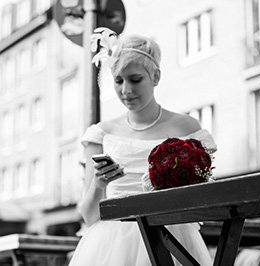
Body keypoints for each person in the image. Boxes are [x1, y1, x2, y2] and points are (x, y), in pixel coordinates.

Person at [68, 28, 217, 266]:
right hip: (111, 246)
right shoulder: (101, 134)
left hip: (174, 239)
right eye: (118, 81)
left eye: (135, 80)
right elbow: (89, 216)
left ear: (155, 77)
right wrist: (98, 184)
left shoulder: (187, 128)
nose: (126, 91)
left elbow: (204, 202)